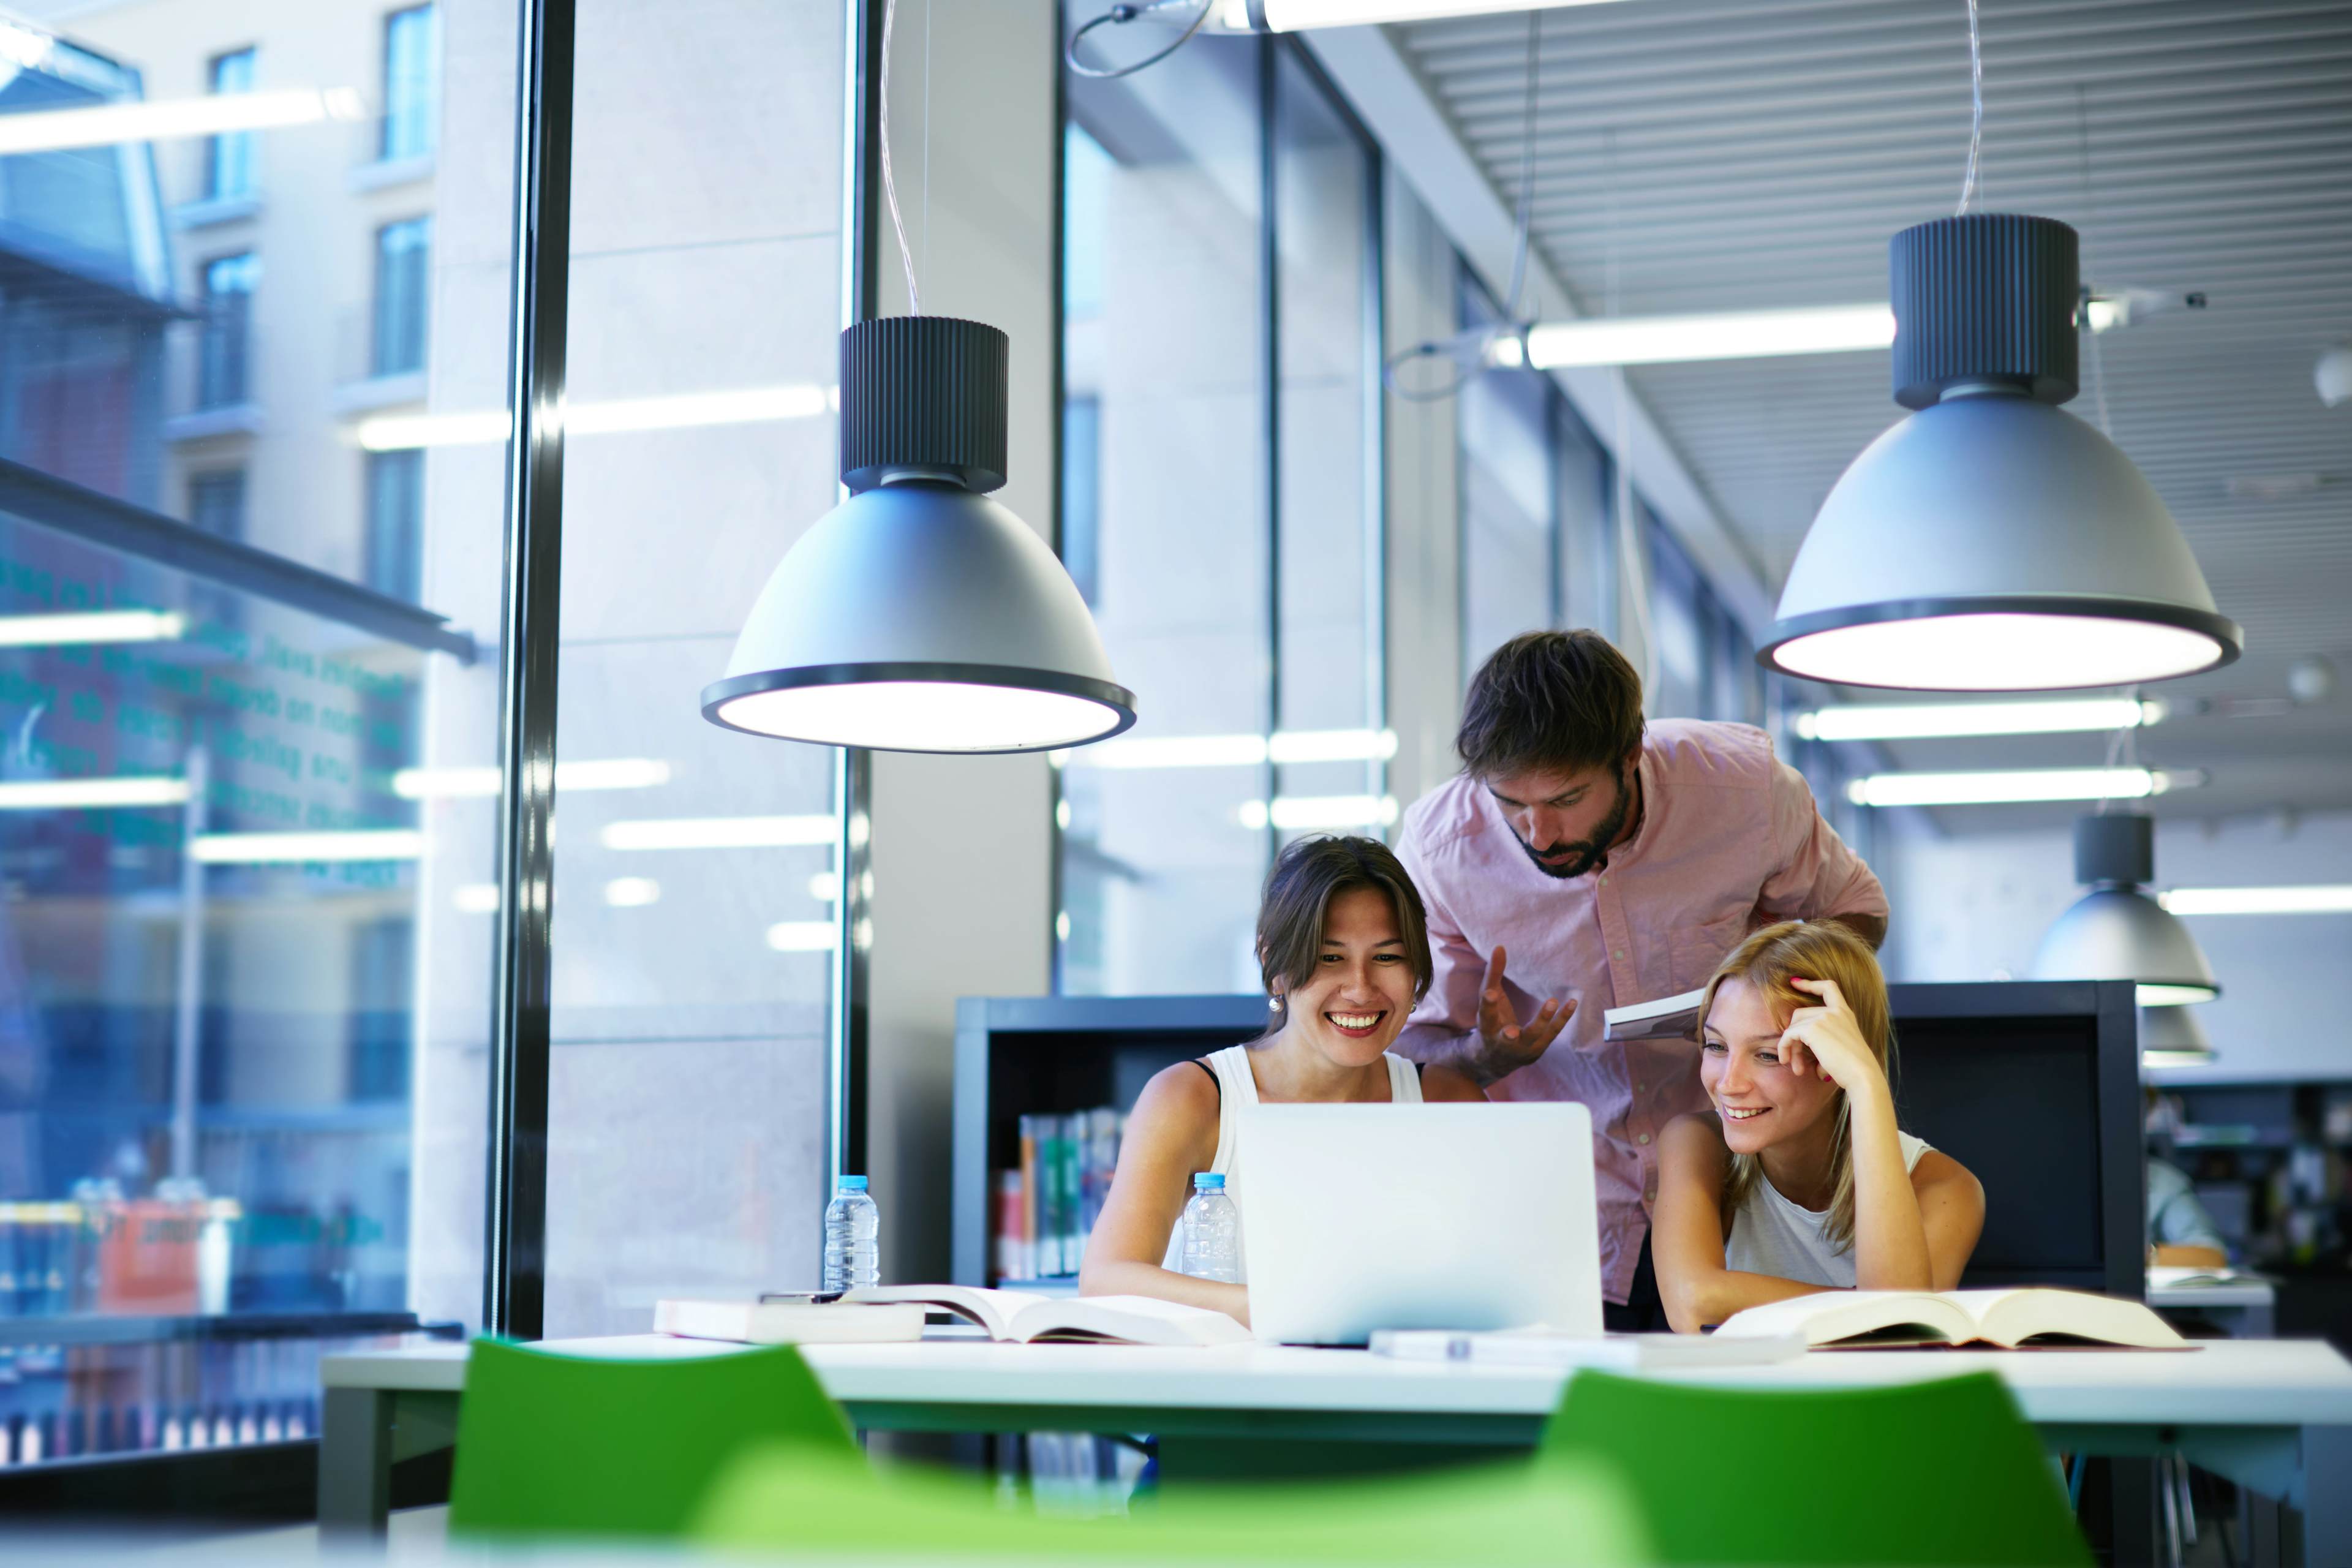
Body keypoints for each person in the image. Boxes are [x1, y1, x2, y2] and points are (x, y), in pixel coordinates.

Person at [1397, 630, 1889, 1328]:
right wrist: (1484, 1056)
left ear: (1631, 755)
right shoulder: (1440, 848)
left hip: (1747, 1194)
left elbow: (1857, 912)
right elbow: (1409, 1046)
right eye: (1510, 804)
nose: (1538, 833)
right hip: (1562, 1213)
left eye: (1567, 798)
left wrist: (1771, 996)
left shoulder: (1744, 789)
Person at [1081, 835, 1483, 1324]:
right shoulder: (1192, 1097)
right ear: (1275, 966)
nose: (1361, 989)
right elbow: (1106, 1280)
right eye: (1330, 958)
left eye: (1387, 957)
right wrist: (1281, 1307)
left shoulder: (1449, 1103)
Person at [1651, 921, 1984, 1332]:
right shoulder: (1696, 1142)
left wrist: (1865, 1083)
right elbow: (1693, 1303)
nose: (1729, 1084)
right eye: (1716, 1046)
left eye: (1768, 1055)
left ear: (1837, 1060)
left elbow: (1898, 1333)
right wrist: (1868, 1307)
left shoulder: (1946, 1188)